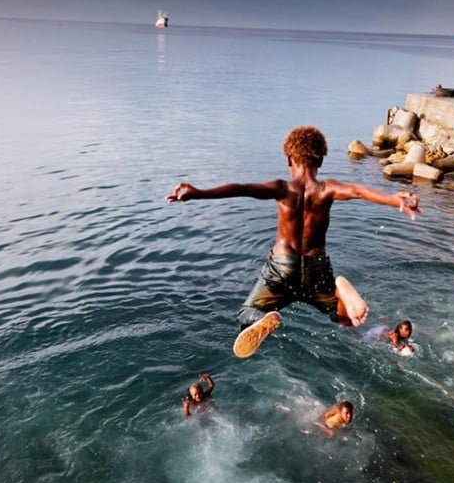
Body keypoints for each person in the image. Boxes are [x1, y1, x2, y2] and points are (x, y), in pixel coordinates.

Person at [166, 125, 422, 358]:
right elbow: (357, 190)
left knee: (246, 314)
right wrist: (392, 199)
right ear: (320, 159)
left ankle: (262, 316)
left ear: (289, 158)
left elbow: (241, 188)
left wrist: (198, 193)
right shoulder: (326, 189)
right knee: (346, 320)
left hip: (281, 267)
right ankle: (340, 286)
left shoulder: (282, 188)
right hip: (317, 267)